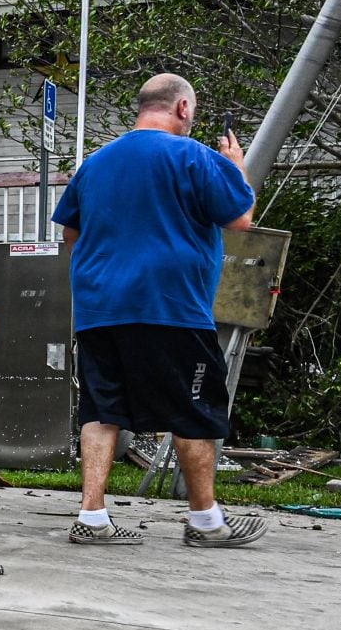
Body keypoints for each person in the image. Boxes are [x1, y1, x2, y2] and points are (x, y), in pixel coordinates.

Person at [50, 73, 266, 546]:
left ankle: (92, 519)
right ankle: (206, 522)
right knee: (193, 410)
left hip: (100, 307)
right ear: (183, 109)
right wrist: (236, 167)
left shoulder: (96, 162)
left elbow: (71, 234)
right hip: (171, 306)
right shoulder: (195, 157)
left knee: (102, 410)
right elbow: (240, 219)